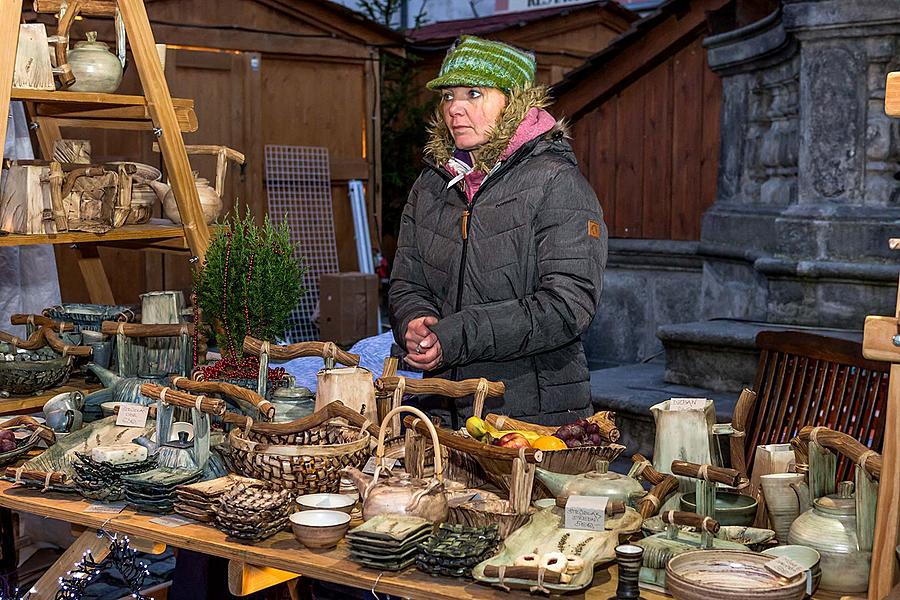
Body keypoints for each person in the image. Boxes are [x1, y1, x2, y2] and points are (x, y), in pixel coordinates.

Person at [389, 35, 608, 426]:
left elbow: (567, 305)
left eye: (474, 93)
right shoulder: (431, 185)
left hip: (530, 418)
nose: (455, 108)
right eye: (448, 97)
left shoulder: (555, 183)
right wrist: (414, 321)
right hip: (443, 411)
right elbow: (407, 281)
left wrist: (455, 336)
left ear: (515, 103)